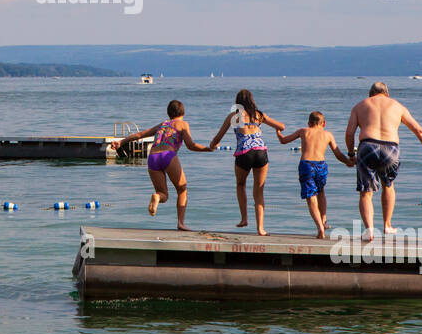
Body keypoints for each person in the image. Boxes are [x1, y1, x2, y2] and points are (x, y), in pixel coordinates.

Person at [344, 82, 422, 241]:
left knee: (366, 192)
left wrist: (350, 153)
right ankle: (387, 226)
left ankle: (369, 230)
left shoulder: (360, 105)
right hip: (391, 148)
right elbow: (419, 130)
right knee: (388, 185)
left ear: (370, 94)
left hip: (368, 146)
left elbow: (349, 134)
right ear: (387, 94)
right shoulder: (398, 106)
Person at [113, 100, 209, 231]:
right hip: (168, 155)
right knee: (182, 189)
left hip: (152, 157)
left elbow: (140, 134)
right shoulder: (183, 124)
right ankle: (181, 223)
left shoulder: (162, 124)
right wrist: (207, 148)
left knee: (163, 193)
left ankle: (157, 197)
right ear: (183, 112)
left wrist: (121, 141)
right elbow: (190, 145)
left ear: (169, 113)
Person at [209, 89, 284, 236]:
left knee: (240, 184)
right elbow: (281, 126)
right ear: (251, 100)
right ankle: (261, 229)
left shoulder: (234, 116)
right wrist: (278, 132)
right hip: (261, 152)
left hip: (244, 153)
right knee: (259, 191)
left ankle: (244, 219)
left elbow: (218, 137)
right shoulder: (259, 115)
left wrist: (212, 146)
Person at [276, 111, 354, 238]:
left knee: (311, 197)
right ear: (324, 124)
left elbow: (284, 141)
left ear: (309, 123)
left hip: (307, 165)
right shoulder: (328, 134)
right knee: (321, 192)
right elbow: (338, 154)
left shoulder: (303, 131)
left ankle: (320, 228)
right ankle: (323, 220)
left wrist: (278, 131)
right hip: (321, 165)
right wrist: (348, 162)